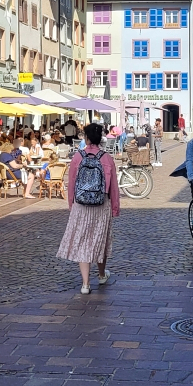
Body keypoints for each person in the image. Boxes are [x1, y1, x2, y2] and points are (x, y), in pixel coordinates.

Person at [57, 122, 120, 294]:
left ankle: (85, 284)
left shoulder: (77, 157)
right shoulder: (107, 158)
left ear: (85, 138)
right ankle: (101, 274)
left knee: (82, 240)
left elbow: (71, 184)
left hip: (81, 204)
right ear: (100, 139)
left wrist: (71, 204)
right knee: (100, 239)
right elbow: (113, 187)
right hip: (101, 204)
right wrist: (115, 208)